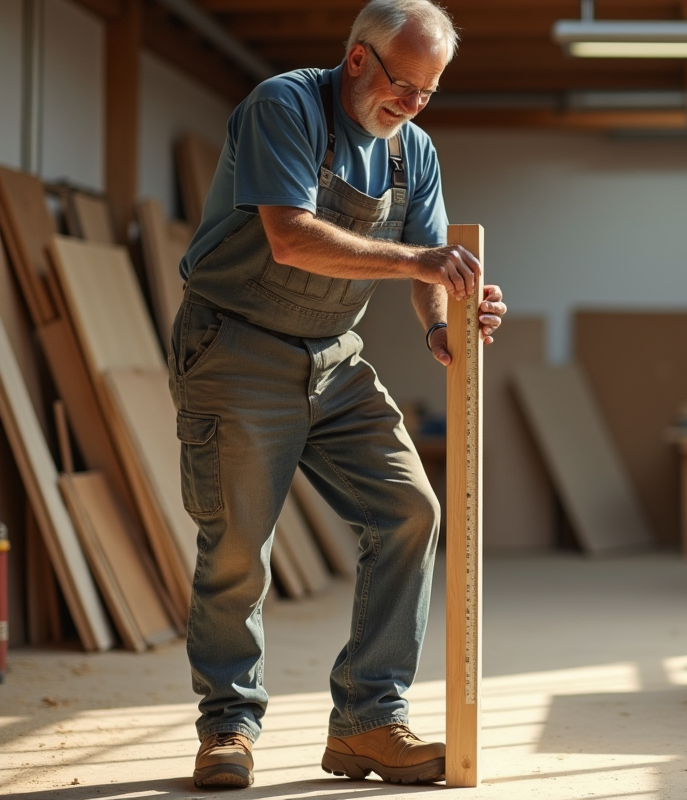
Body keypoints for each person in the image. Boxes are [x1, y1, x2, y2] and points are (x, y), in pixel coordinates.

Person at [170, 0, 504, 788]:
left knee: (411, 510)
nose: (413, 104)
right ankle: (227, 727)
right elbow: (289, 235)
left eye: (429, 91)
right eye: (403, 84)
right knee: (237, 547)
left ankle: (368, 721)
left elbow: (435, 264)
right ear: (358, 58)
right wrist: (424, 264)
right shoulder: (284, 106)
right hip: (236, 342)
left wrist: (443, 321)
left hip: (333, 357)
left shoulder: (411, 151)